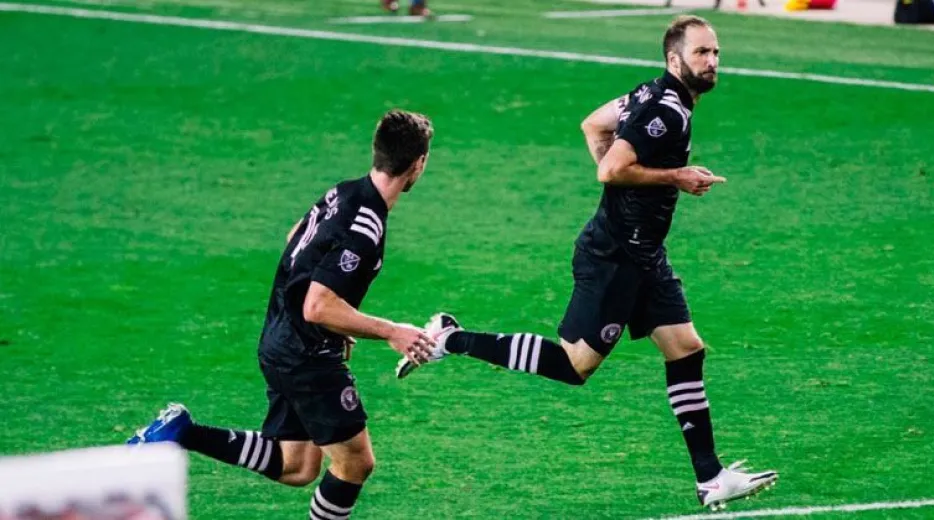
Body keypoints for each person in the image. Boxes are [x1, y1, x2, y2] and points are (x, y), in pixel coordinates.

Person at [397, 16, 777, 511]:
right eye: (701, 53)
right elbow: (609, 167)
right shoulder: (667, 111)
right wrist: (676, 176)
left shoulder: (649, 95)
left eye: (715, 53)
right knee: (573, 366)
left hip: (644, 254)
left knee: (686, 349)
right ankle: (450, 338)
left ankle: (710, 478)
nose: (711, 62)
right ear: (673, 59)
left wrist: (631, 195)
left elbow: (594, 125)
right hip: (616, 257)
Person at [127, 110, 438, 520]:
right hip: (305, 355)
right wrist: (391, 331)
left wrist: (335, 320)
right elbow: (317, 305)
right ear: (418, 163)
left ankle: (182, 431)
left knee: (297, 465)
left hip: (280, 337)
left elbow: (296, 238)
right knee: (356, 463)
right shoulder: (366, 226)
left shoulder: (342, 193)